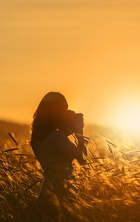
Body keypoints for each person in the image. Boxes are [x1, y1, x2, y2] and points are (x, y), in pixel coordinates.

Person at [30, 92, 87, 221]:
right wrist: (79, 132)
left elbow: (58, 143)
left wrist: (70, 126)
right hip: (59, 196)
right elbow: (82, 159)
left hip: (48, 194)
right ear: (56, 112)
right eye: (63, 110)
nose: (65, 114)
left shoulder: (41, 137)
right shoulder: (56, 138)